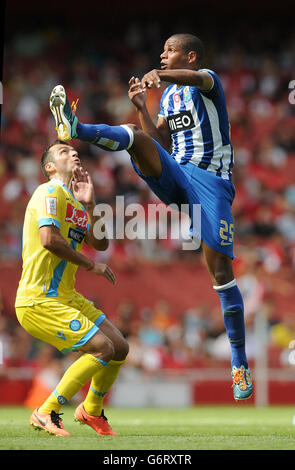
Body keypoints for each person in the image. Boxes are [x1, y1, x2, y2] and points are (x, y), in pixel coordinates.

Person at [49, 33, 252, 400]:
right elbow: (160, 141)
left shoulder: (207, 80)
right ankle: (75, 129)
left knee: (221, 275)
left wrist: (163, 75)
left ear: (190, 56)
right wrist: (142, 107)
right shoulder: (170, 96)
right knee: (134, 136)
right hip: (178, 172)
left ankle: (238, 364)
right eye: (162, 51)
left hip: (210, 184)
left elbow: (192, 78)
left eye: (170, 50)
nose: (163, 54)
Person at [15, 140, 129, 436]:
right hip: (38, 298)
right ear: (50, 167)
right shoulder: (48, 191)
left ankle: (90, 410)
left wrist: (90, 206)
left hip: (66, 295)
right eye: (63, 152)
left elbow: (100, 243)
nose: (73, 153)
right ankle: (46, 410)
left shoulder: (74, 200)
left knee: (119, 347)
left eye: (74, 150)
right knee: (101, 347)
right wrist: (92, 266)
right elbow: (49, 239)